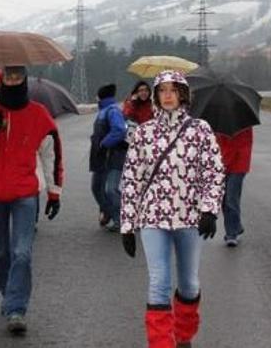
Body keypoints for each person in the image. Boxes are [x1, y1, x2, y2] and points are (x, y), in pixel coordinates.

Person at [119, 70, 225, 348]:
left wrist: (209, 209)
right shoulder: (144, 133)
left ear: (183, 94)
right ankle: (161, 344)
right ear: (155, 96)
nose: (167, 95)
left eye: (173, 90)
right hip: (153, 217)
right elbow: (131, 179)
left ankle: (183, 335)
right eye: (162, 90)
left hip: (190, 218)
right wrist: (127, 225)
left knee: (189, 283)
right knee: (159, 283)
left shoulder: (199, 130)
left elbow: (213, 172)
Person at [0, 65, 63, 336]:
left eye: (18, 75)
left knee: (22, 252)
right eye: (9, 76)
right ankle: (10, 296)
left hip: (25, 195)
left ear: (25, 79)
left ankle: (16, 308)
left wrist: (54, 192)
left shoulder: (38, 114)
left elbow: (51, 155)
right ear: (1, 78)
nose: (14, 80)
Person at [89, 83, 127, 232]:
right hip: (101, 158)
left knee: (110, 190)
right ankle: (110, 213)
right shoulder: (105, 111)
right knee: (96, 188)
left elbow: (119, 131)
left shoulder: (112, 111)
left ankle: (122, 218)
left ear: (101, 96)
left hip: (112, 157)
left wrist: (104, 144)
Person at [216, 127, 253, 247]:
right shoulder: (218, 121)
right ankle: (236, 226)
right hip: (222, 162)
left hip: (239, 162)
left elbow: (245, 144)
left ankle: (231, 234)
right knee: (223, 198)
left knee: (231, 198)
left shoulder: (244, 121)